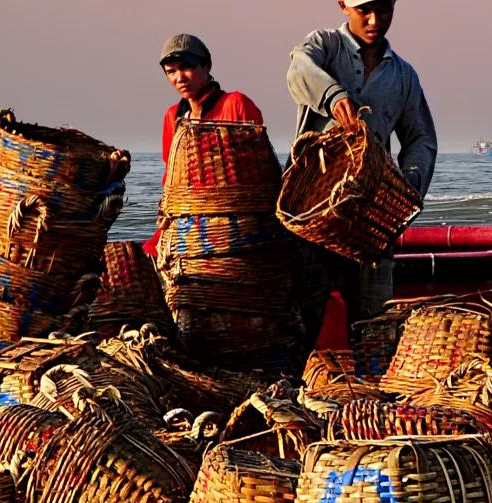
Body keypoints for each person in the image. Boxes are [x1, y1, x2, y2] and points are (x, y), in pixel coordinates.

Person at [287, 0, 438, 322]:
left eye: (383, 10)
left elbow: (420, 140)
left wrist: (409, 186)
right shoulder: (324, 45)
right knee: (300, 320)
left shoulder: (403, 75)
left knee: (374, 324)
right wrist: (333, 96)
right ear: (343, 5)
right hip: (312, 214)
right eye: (363, 10)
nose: (374, 20)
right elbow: (298, 69)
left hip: (371, 223)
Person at [150, 34, 264, 254]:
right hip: (188, 217)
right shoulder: (173, 117)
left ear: (207, 65)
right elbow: (171, 174)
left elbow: (258, 168)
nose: (179, 78)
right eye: (171, 72)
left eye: (186, 67)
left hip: (235, 215)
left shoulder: (235, 103)